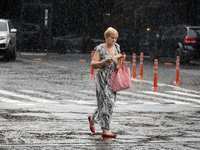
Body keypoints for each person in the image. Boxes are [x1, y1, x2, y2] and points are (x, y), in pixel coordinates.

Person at [88, 27, 126, 138]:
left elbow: (118, 62)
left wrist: (122, 58)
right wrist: (105, 61)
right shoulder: (100, 48)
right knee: (104, 102)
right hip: (102, 78)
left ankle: (93, 118)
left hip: (113, 78)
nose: (114, 40)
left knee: (111, 103)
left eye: (115, 38)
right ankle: (106, 129)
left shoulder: (117, 47)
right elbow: (93, 64)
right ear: (106, 37)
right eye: (111, 38)